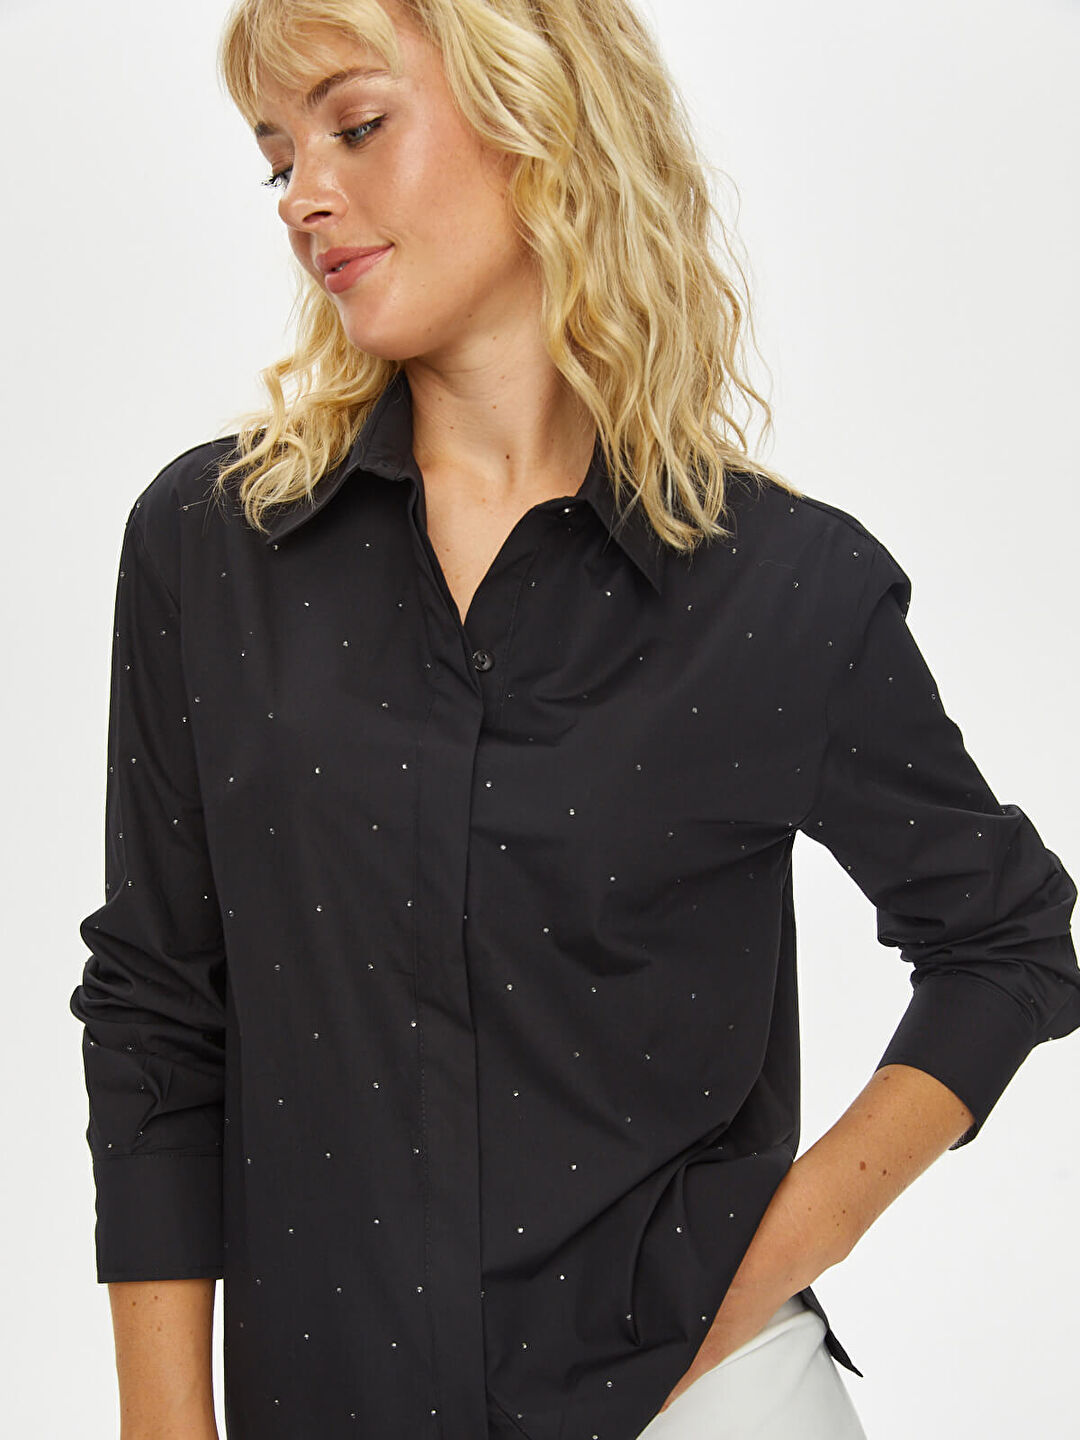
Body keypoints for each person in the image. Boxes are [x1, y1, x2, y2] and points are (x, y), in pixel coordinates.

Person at [68, 1, 1080, 1437]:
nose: (302, 195)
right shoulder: (212, 546)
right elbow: (158, 1014)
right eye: (278, 157)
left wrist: (769, 1264)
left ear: (535, 117)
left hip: (703, 1407)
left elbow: (1007, 939)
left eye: (356, 126)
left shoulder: (784, 590)